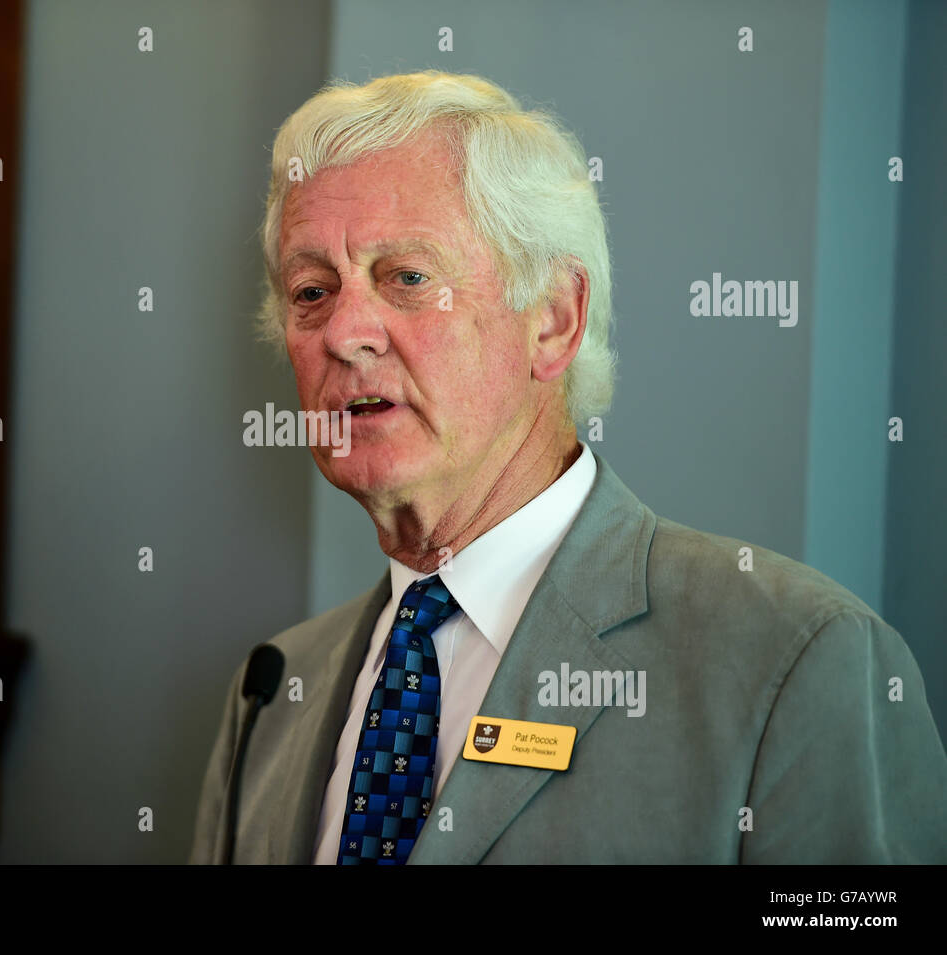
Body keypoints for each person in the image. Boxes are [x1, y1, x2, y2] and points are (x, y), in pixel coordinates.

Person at [190, 71, 947, 864]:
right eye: (311, 291)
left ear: (553, 320)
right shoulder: (272, 691)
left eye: (407, 277)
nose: (345, 332)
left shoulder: (798, 661)